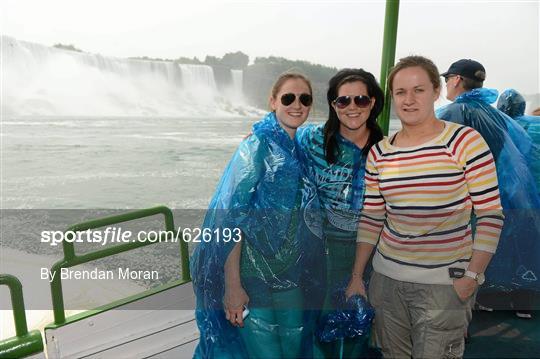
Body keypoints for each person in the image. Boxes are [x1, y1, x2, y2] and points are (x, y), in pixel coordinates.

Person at [346, 55, 504, 358]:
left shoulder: (465, 142)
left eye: (418, 90)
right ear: (392, 97)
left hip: (444, 286)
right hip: (387, 282)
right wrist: (357, 276)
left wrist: (472, 277)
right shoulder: (380, 153)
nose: (409, 100)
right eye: (401, 92)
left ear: (436, 91)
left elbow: (490, 214)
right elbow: (372, 217)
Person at [190, 72, 323, 358]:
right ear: (273, 101)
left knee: (294, 349)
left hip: (290, 274)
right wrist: (233, 286)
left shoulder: (300, 146)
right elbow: (231, 218)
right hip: (251, 276)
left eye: (305, 98)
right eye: (288, 97)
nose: (297, 104)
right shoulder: (256, 146)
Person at [437, 61, 540, 318]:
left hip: (458, 200)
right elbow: (521, 153)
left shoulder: (450, 113)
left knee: (453, 261)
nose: (446, 84)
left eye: (447, 79)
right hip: (493, 198)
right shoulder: (498, 117)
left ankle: (454, 322)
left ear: (457, 79)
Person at [298, 68, 384, 358]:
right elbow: (281, 145)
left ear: (372, 103)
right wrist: (256, 138)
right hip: (324, 251)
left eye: (360, 100)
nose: (351, 107)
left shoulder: (387, 150)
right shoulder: (313, 140)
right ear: (333, 105)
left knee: (361, 321)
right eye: (342, 101)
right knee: (323, 325)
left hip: (372, 248)